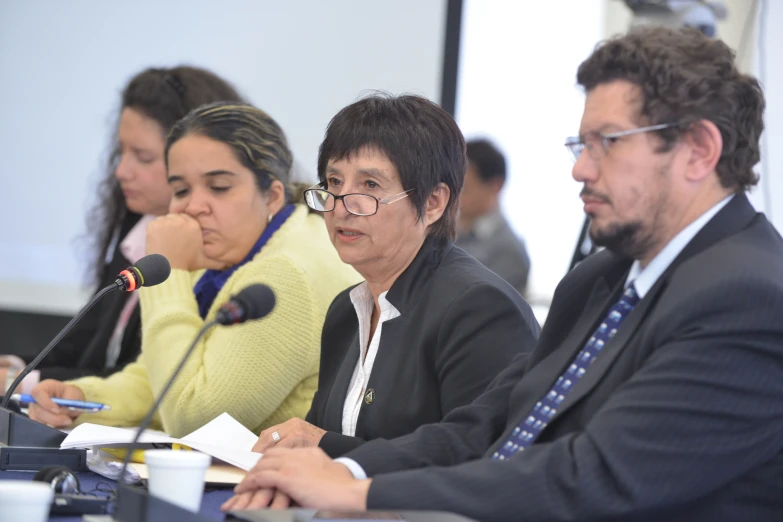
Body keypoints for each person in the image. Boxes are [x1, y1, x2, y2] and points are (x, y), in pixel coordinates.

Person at [222, 27, 783, 522]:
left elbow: (590, 475)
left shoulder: (749, 296)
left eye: (606, 144)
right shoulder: (601, 279)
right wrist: (343, 470)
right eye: (580, 145)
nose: (580, 169)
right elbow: (487, 426)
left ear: (699, 150)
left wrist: (361, 491)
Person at [28, 102, 361, 437]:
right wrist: (85, 400)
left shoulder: (287, 273)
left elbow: (193, 418)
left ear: (272, 196)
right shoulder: (236, 248)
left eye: (219, 187)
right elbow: (162, 377)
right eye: (181, 190)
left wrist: (169, 271)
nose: (194, 207)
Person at [248, 94, 539, 458]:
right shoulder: (345, 310)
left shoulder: (477, 308)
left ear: (433, 203)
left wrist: (321, 444)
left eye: (369, 186)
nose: (341, 206)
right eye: (334, 181)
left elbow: (475, 460)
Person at [0, 66, 244, 394]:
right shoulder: (137, 230)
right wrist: (17, 367)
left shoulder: (217, 257)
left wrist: (25, 383)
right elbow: (82, 348)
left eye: (142, 157)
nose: (120, 171)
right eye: (121, 152)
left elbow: (142, 380)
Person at [456, 139, 531, 295]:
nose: (454, 197)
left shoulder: (508, 251)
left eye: (464, 188)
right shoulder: (450, 231)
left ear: (495, 186)